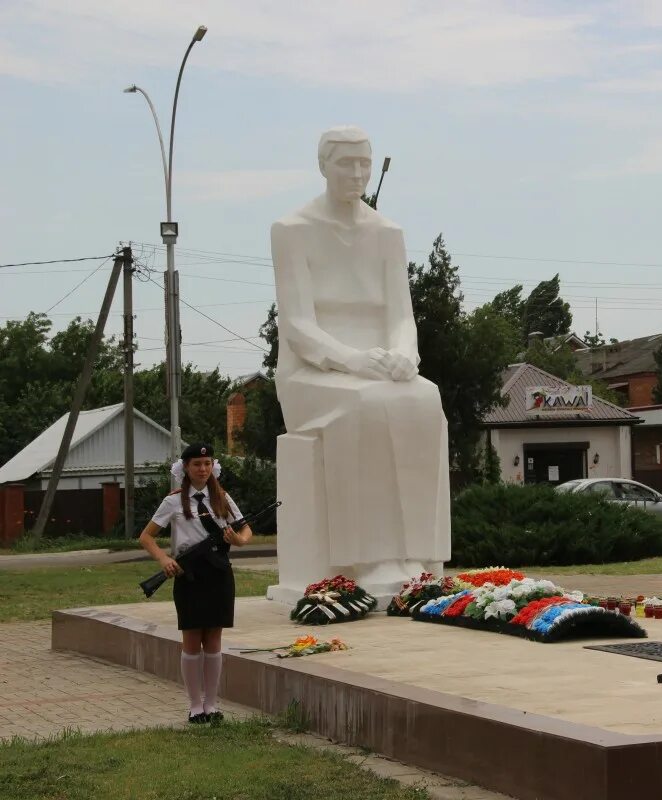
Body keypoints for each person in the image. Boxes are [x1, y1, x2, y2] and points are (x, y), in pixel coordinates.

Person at [270, 125, 451, 592]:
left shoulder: (386, 233)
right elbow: (297, 327)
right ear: (323, 166)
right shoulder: (292, 231)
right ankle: (368, 560)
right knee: (366, 404)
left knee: (426, 398)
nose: (356, 173)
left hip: (380, 367)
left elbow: (401, 316)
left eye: (364, 163)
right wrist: (354, 361)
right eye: (346, 163)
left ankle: (423, 556)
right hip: (312, 373)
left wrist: (404, 357)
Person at [138, 443, 252, 724]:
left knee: (214, 640)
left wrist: (237, 540)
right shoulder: (174, 501)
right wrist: (164, 560)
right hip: (188, 574)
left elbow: (245, 529)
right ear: (186, 469)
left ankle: (211, 705)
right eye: (197, 464)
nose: (203, 469)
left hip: (219, 573)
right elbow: (146, 537)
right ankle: (194, 706)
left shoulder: (222, 497)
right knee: (191, 639)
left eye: (207, 463)